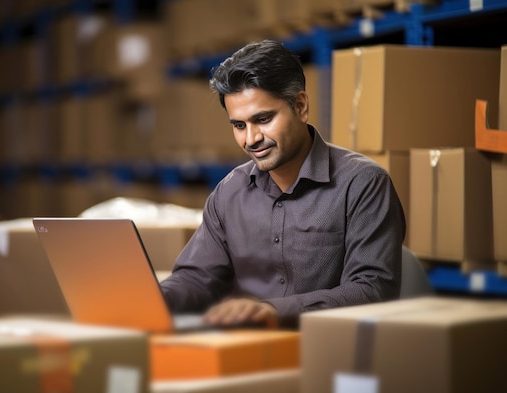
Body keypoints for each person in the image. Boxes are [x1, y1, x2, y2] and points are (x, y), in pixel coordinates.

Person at [159, 39, 406, 329]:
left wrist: (272, 310)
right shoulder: (229, 192)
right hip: (246, 350)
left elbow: (373, 290)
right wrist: (152, 299)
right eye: (239, 125)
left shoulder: (363, 184)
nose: (250, 139)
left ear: (300, 106)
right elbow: (196, 278)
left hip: (326, 351)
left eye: (263, 119)